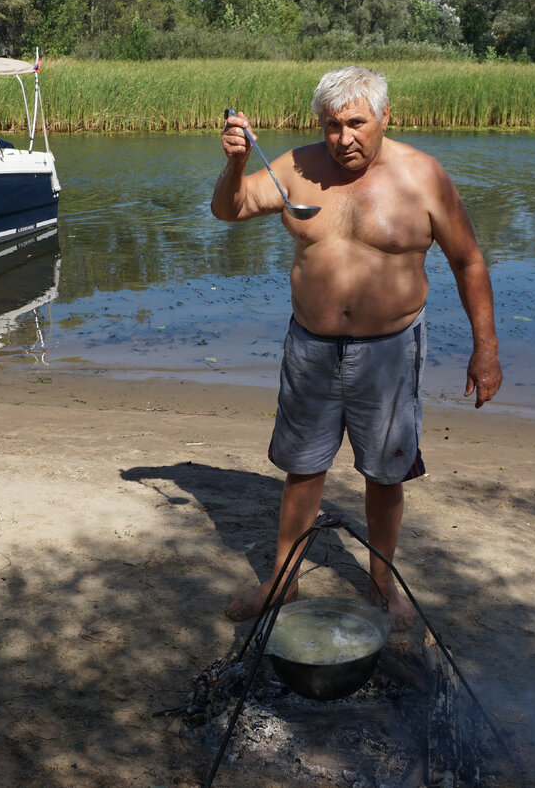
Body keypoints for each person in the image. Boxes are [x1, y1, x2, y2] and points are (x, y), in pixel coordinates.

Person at [211, 66, 502, 628]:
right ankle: (283, 581)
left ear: (384, 117)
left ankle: (382, 584)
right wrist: (237, 163)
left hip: (390, 352)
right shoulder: (295, 168)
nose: (343, 138)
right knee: (302, 469)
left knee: (386, 473)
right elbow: (231, 209)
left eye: (356, 124)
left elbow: (468, 261)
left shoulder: (423, 177)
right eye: (331, 125)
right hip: (311, 347)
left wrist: (484, 350)